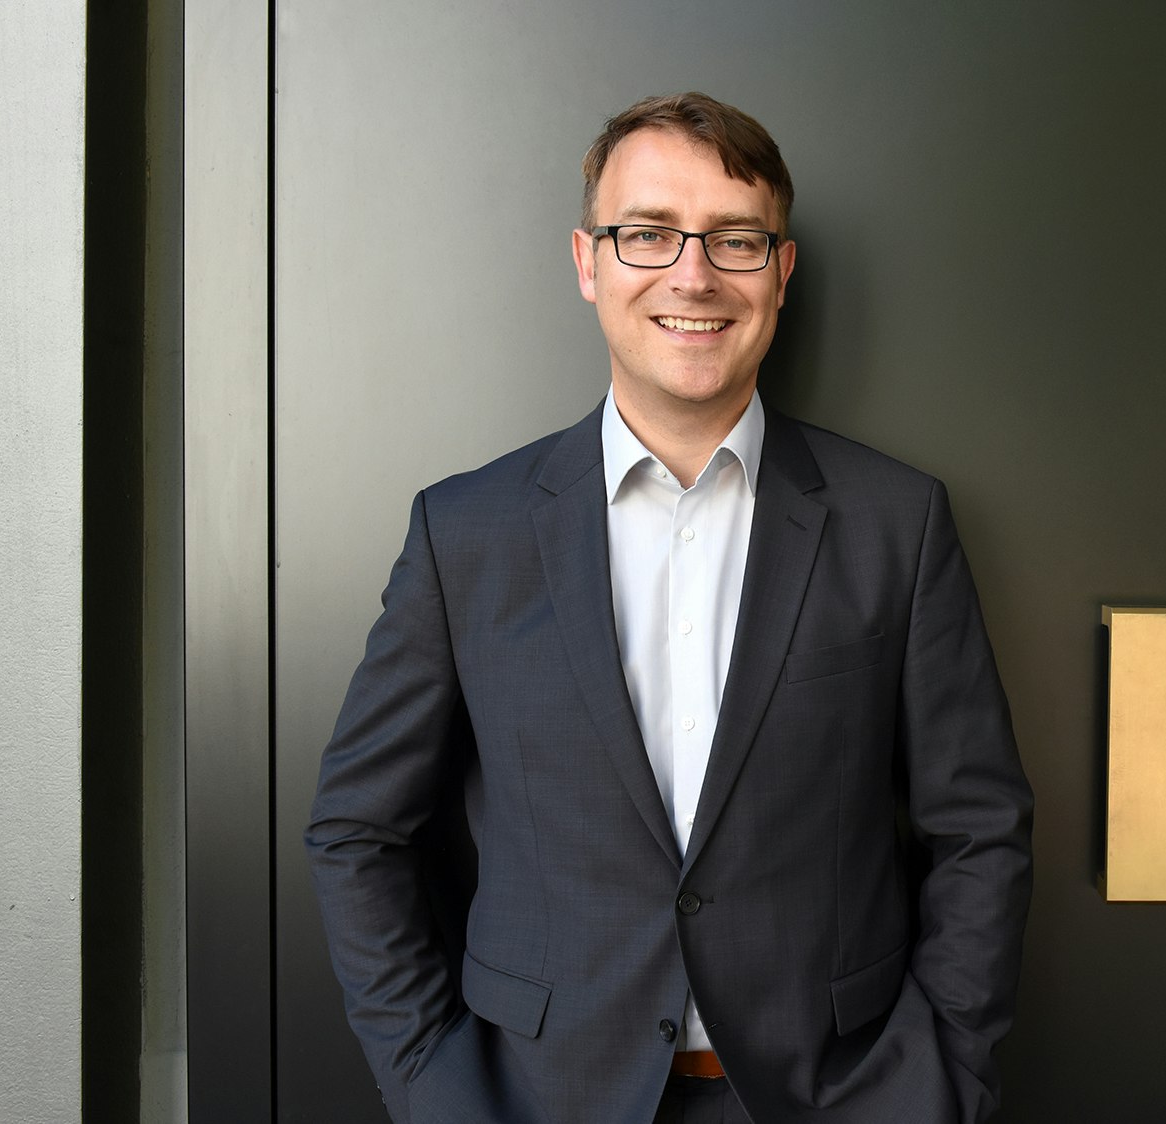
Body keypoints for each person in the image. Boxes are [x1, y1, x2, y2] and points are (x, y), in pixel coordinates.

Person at [306, 91, 1034, 1124]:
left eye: (734, 240)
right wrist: (431, 1083)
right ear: (587, 261)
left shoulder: (895, 522)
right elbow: (357, 829)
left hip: (835, 1095)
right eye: (647, 233)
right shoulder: (464, 533)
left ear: (779, 274)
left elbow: (979, 827)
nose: (691, 274)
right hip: (539, 1099)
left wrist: (940, 1076)